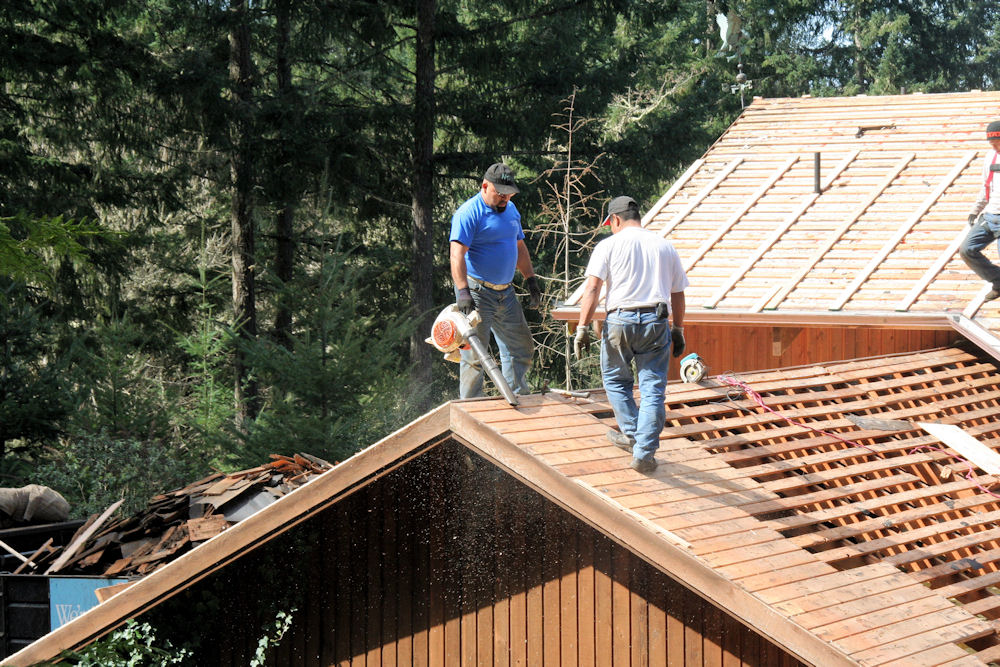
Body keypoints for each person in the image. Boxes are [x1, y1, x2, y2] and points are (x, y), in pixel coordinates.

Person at [573, 196, 688, 473]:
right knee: (652, 388)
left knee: (615, 379)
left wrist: (581, 327)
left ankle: (633, 436)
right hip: (655, 322)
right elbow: (678, 293)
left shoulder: (608, 246)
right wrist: (678, 329)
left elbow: (592, 289)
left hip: (619, 321)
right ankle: (644, 452)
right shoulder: (664, 246)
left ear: (615, 220)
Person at [450, 163, 542, 398]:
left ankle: (517, 396)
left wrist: (530, 279)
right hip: (477, 291)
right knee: (475, 354)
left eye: (508, 192)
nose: (505, 197)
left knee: (520, 346)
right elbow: (456, 254)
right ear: (484, 186)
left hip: (506, 292)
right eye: (500, 193)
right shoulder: (469, 213)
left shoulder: (511, 210)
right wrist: (463, 292)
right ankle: (471, 408)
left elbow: (519, 246)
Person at [960, 120, 1000, 301]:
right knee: (967, 249)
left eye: (997, 142)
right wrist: (974, 211)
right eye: (992, 144)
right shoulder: (990, 157)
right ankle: (998, 280)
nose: (994, 146)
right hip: (990, 215)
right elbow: (986, 187)